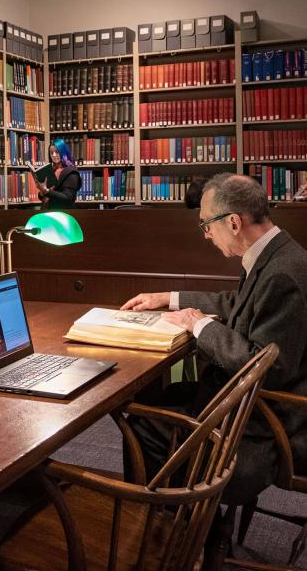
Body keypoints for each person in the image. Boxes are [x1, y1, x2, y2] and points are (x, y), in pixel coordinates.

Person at [121, 174, 307, 506]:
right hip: (255, 406)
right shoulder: (278, 253)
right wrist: (170, 296)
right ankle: (182, 516)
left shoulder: (282, 274)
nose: (206, 234)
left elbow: (268, 367)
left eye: (207, 224)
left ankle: (163, 533)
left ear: (234, 222)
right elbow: (240, 305)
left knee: (140, 425)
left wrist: (199, 325)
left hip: (263, 427)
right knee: (163, 397)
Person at [34, 139, 81, 210]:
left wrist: (46, 191)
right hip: (48, 211)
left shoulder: (71, 172)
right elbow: (44, 195)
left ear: (63, 152)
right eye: (51, 153)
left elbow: (68, 198)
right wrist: (42, 191)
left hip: (64, 214)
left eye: (57, 152)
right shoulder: (50, 170)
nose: (54, 155)